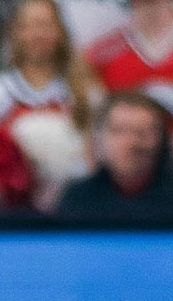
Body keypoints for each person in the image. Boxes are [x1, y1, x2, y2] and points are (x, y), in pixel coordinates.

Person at [56, 86, 173, 223]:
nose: (133, 142)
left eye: (144, 132)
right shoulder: (77, 198)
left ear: (163, 139)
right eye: (120, 131)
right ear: (98, 139)